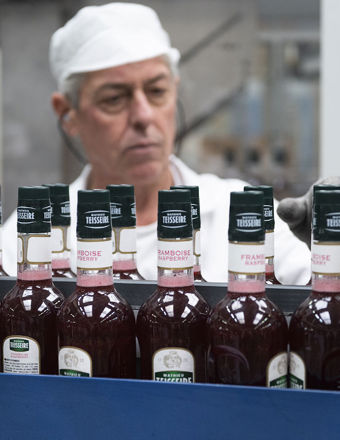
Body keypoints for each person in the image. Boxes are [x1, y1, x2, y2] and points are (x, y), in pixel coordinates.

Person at [2, 2, 312, 284]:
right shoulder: (31, 235)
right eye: (114, 98)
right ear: (68, 113)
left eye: (157, 91)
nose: (143, 115)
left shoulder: (240, 212)